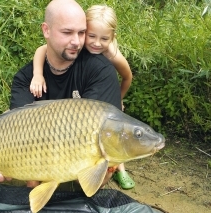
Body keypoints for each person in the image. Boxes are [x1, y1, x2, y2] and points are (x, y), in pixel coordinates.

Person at [0, 0, 121, 188]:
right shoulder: (25, 78)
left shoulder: (100, 71)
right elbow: (18, 134)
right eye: (67, 32)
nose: (77, 41)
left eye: (81, 32)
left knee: (99, 168)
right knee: (8, 120)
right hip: (36, 155)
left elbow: (99, 138)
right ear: (46, 30)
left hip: (79, 159)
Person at [29, 5, 135, 189]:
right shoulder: (77, 48)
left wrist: (118, 100)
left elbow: (128, 77)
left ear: (112, 38)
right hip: (88, 106)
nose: (95, 43)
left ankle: (120, 169)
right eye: (91, 36)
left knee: (114, 143)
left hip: (110, 95)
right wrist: (37, 73)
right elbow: (42, 49)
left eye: (103, 38)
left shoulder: (111, 55)